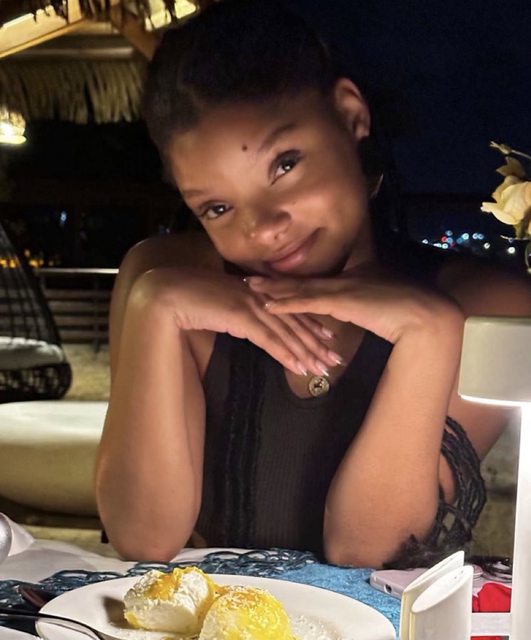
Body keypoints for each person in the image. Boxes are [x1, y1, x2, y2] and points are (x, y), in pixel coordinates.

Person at [95, 0, 531, 568]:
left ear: (350, 115)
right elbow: (143, 539)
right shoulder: (170, 282)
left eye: (284, 165)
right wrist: (155, 306)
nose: (262, 228)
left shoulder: (488, 307)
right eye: (218, 207)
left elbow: (368, 554)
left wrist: (430, 333)